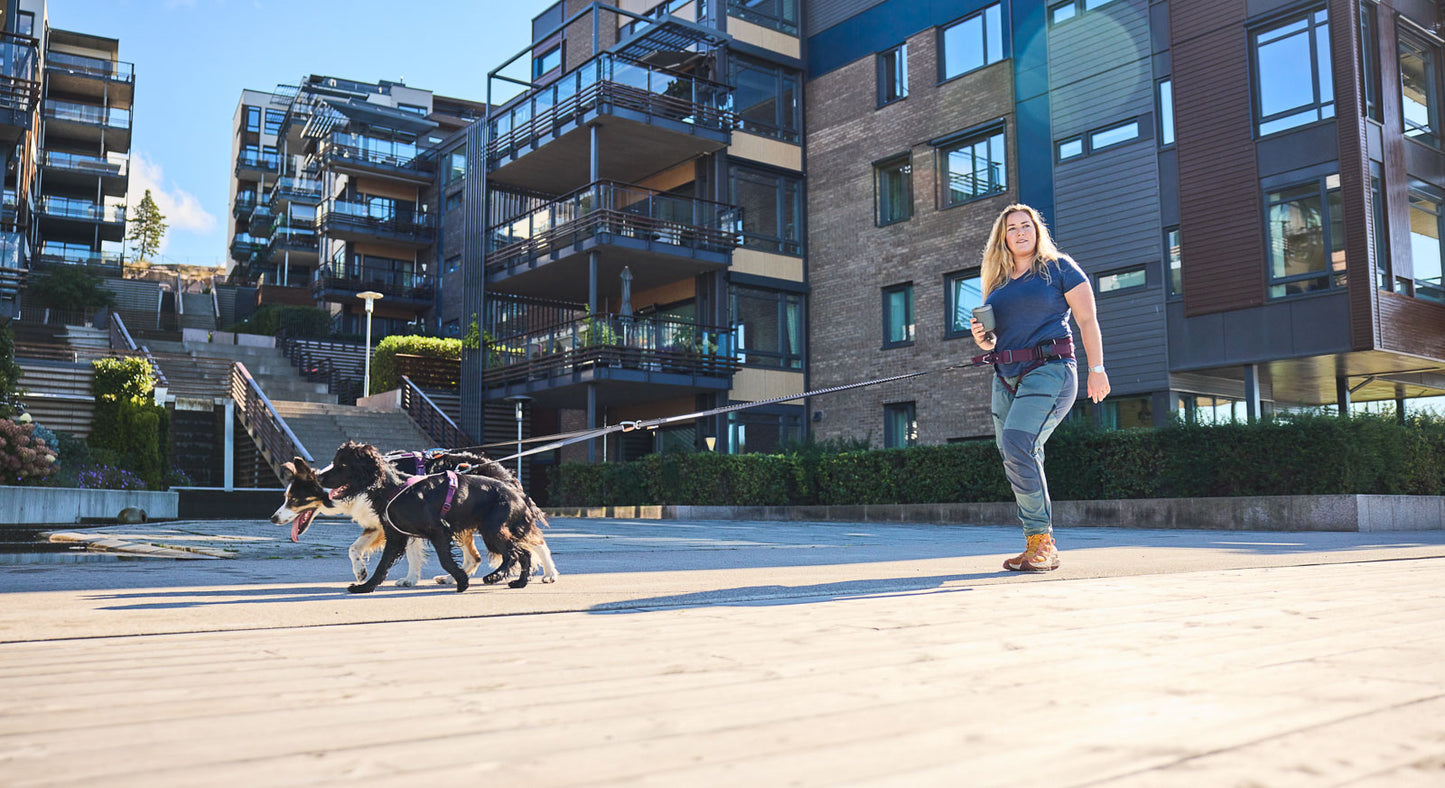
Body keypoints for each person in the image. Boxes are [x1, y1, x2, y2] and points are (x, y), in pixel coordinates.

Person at [970, 204, 1108, 572]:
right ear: (1003, 237)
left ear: (1036, 230)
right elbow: (994, 340)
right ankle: (1036, 542)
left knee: (1018, 443)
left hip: (1051, 369)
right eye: (1011, 227)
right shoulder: (997, 283)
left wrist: (1097, 369)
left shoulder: (1059, 267)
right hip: (1005, 375)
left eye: (1025, 225)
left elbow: (1087, 319)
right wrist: (983, 340)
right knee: (1015, 452)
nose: (1019, 232)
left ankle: (1042, 542)